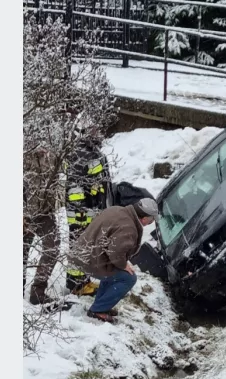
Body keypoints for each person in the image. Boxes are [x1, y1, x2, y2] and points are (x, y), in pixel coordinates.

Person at [68, 198, 159, 323]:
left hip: (86, 254)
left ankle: (101, 305)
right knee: (128, 278)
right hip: (90, 260)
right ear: (144, 218)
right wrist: (123, 265)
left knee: (113, 272)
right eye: (151, 220)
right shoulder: (129, 227)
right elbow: (116, 254)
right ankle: (98, 310)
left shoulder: (117, 210)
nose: (151, 222)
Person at [64, 132, 111, 297]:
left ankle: (83, 281)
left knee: (86, 247)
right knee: (79, 247)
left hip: (89, 208)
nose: (101, 135)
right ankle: (76, 285)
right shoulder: (81, 153)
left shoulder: (92, 151)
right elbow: (74, 186)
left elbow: (98, 179)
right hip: (80, 214)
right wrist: (81, 211)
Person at [23, 147, 61, 306]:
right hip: (25, 214)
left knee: (53, 247)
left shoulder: (55, 154)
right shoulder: (25, 155)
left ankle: (38, 292)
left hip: (45, 213)